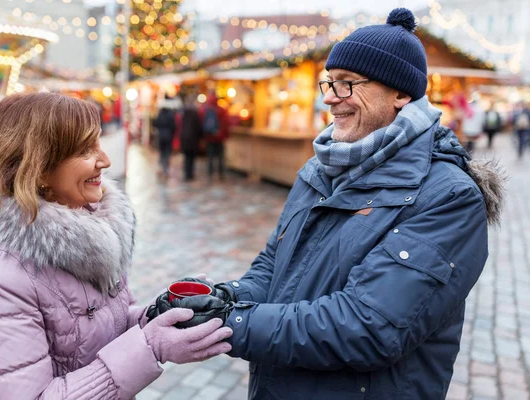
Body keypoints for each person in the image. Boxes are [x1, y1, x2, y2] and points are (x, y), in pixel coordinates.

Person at [165, 8, 504, 399]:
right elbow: (276, 267)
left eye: (347, 84)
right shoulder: (322, 168)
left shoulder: (448, 196)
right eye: (329, 82)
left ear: (401, 93)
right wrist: (223, 298)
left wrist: (231, 322)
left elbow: (368, 326)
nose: (329, 97)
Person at [0, 92, 232, 399]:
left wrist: (159, 316)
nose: (105, 160)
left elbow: (98, 331)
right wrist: (150, 347)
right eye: (85, 149)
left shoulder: (91, 229)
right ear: (38, 167)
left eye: (99, 142)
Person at [200, 93, 228, 181]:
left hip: (209, 137)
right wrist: (223, 135)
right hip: (219, 138)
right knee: (220, 157)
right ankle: (221, 174)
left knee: (210, 156)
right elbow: (226, 124)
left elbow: (201, 123)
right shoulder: (221, 110)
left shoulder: (205, 110)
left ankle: (210, 173)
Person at [153, 94, 178, 180]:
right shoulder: (171, 115)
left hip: (161, 136)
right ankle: (165, 169)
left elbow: (156, 123)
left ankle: (161, 167)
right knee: (167, 153)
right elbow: (173, 126)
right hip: (168, 136)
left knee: (162, 152)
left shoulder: (160, 114)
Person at [179, 95, 203, 181]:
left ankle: (186, 173)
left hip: (184, 137)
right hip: (193, 138)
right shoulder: (195, 113)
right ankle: (190, 174)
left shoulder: (183, 113)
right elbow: (198, 126)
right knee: (192, 157)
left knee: (186, 157)